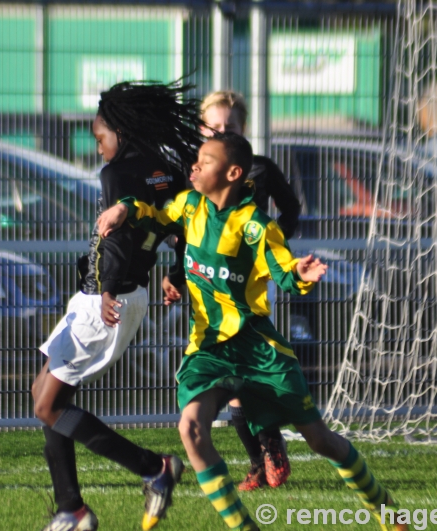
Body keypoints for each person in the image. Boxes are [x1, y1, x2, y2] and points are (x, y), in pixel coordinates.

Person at [98, 132, 408, 531]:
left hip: (259, 350)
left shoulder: (256, 227)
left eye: (205, 161)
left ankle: (386, 509)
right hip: (208, 349)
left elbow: (284, 272)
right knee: (190, 428)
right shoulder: (189, 206)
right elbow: (155, 214)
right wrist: (125, 209)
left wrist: (301, 274)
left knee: (319, 440)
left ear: (232, 173)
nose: (194, 166)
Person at [31, 80, 203, 531]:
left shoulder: (116, 175)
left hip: (107, 298)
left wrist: (106, 288)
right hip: (122, 294)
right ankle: (71, 508)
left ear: (120, 133)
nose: (98, 147)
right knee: (44, 393)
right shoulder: (165, 169)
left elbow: (116, 244)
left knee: (47, 407)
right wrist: (176, 274)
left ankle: (153, 469)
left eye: (99, 138)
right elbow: (184, 224)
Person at [163, 90, 302, 492]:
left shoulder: (259, 168)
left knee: (244, 383)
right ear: (202, 128)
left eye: (231, 126)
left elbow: (290, 207)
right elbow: (185, 232)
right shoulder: (197, 173)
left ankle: (266, 456)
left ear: (243, 130)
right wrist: (175, 273)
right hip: (207, 287)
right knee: (231, 384)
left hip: (248, 289)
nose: (222, 130)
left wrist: (274, 248)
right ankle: (263, 457)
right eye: (215, 125)